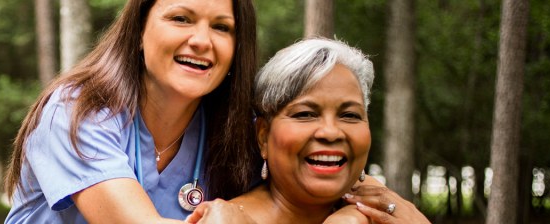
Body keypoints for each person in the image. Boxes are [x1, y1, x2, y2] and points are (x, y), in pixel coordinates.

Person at [2, 0, 259, 222]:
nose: (202, 41)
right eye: (181, 19)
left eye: (221, 27)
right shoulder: (74, 110)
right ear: (138, 31)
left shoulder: (240, 132)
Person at [185, 38, 431, 223]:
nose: (331, 132)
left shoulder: (392, 215)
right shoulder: (225, 220)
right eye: (305, 114)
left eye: (349, 115)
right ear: (263, 137)